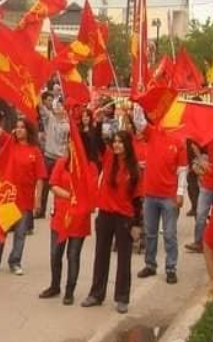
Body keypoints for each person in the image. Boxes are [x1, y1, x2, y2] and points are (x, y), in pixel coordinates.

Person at [81, 131, 142, 314]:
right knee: (101, 255)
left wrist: (137, 224)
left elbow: (137, 199)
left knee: (124, 259)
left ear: (127, 145)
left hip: (124, 218)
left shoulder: (134, 169)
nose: (116, 145)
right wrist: (96, 123)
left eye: (120, 142)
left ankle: (122, 298)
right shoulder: (108, 157)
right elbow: (95, 140)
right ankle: (96, 294)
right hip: (105, 214)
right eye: (115, 141)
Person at [0, 96, 46, 275]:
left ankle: (15, 262)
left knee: (20, 234)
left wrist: (38, 200)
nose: (18, 130)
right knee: (0, 231)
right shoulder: (9, 143)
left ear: (28, 130)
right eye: (17, 127)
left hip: (25, 201)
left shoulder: (35, 152)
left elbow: (40, 178)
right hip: (8, 198)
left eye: (22, 127)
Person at [38, 150, 93, 305]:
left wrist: (80, 200)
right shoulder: (62, 162)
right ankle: (55, 286)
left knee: (73, 255)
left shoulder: (89, 166)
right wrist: (71, 196)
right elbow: (53, 185)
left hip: (79, 218)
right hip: (61, 215)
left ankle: (70, 291)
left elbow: (92, 192)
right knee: (55, 253)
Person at [136, 123, 187, 284]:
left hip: (169, 196)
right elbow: (139, 123)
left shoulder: (179, 140)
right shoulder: (152, 132)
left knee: (169, 234)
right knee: (150, 233)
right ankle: (150, 265)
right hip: (150, 193)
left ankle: (171, 268)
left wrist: (180, 192)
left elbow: (182, 169)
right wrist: (137, 107)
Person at [38, 96, 70, 219]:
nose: (57, 108)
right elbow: (41, 107)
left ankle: (57, 209)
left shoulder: (67, 126)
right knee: (44, 185)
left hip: (60, 159)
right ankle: (41, 210)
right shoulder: (50, 118)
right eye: (56, 106)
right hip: (48, 156)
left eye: (60, 106)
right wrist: (37, 92)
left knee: (58, 186)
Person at [186, 140, 212, 254]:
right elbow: (201, 160)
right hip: (207, 184)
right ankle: (198, 242)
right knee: (200, 214)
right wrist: (199, 157)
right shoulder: (207, 140)